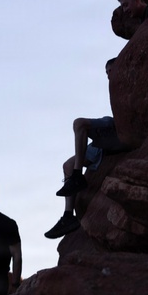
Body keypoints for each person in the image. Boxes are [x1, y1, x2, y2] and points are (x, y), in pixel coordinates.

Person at [45, 59, 130, 239]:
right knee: (67, 165)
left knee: (79, 123)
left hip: (117, 129)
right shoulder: (113, 87)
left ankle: (77, 176)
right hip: (108, 136)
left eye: (111, 70)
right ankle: (68, 216)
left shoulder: (127, 82)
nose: (108, 74)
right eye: (106, 72)